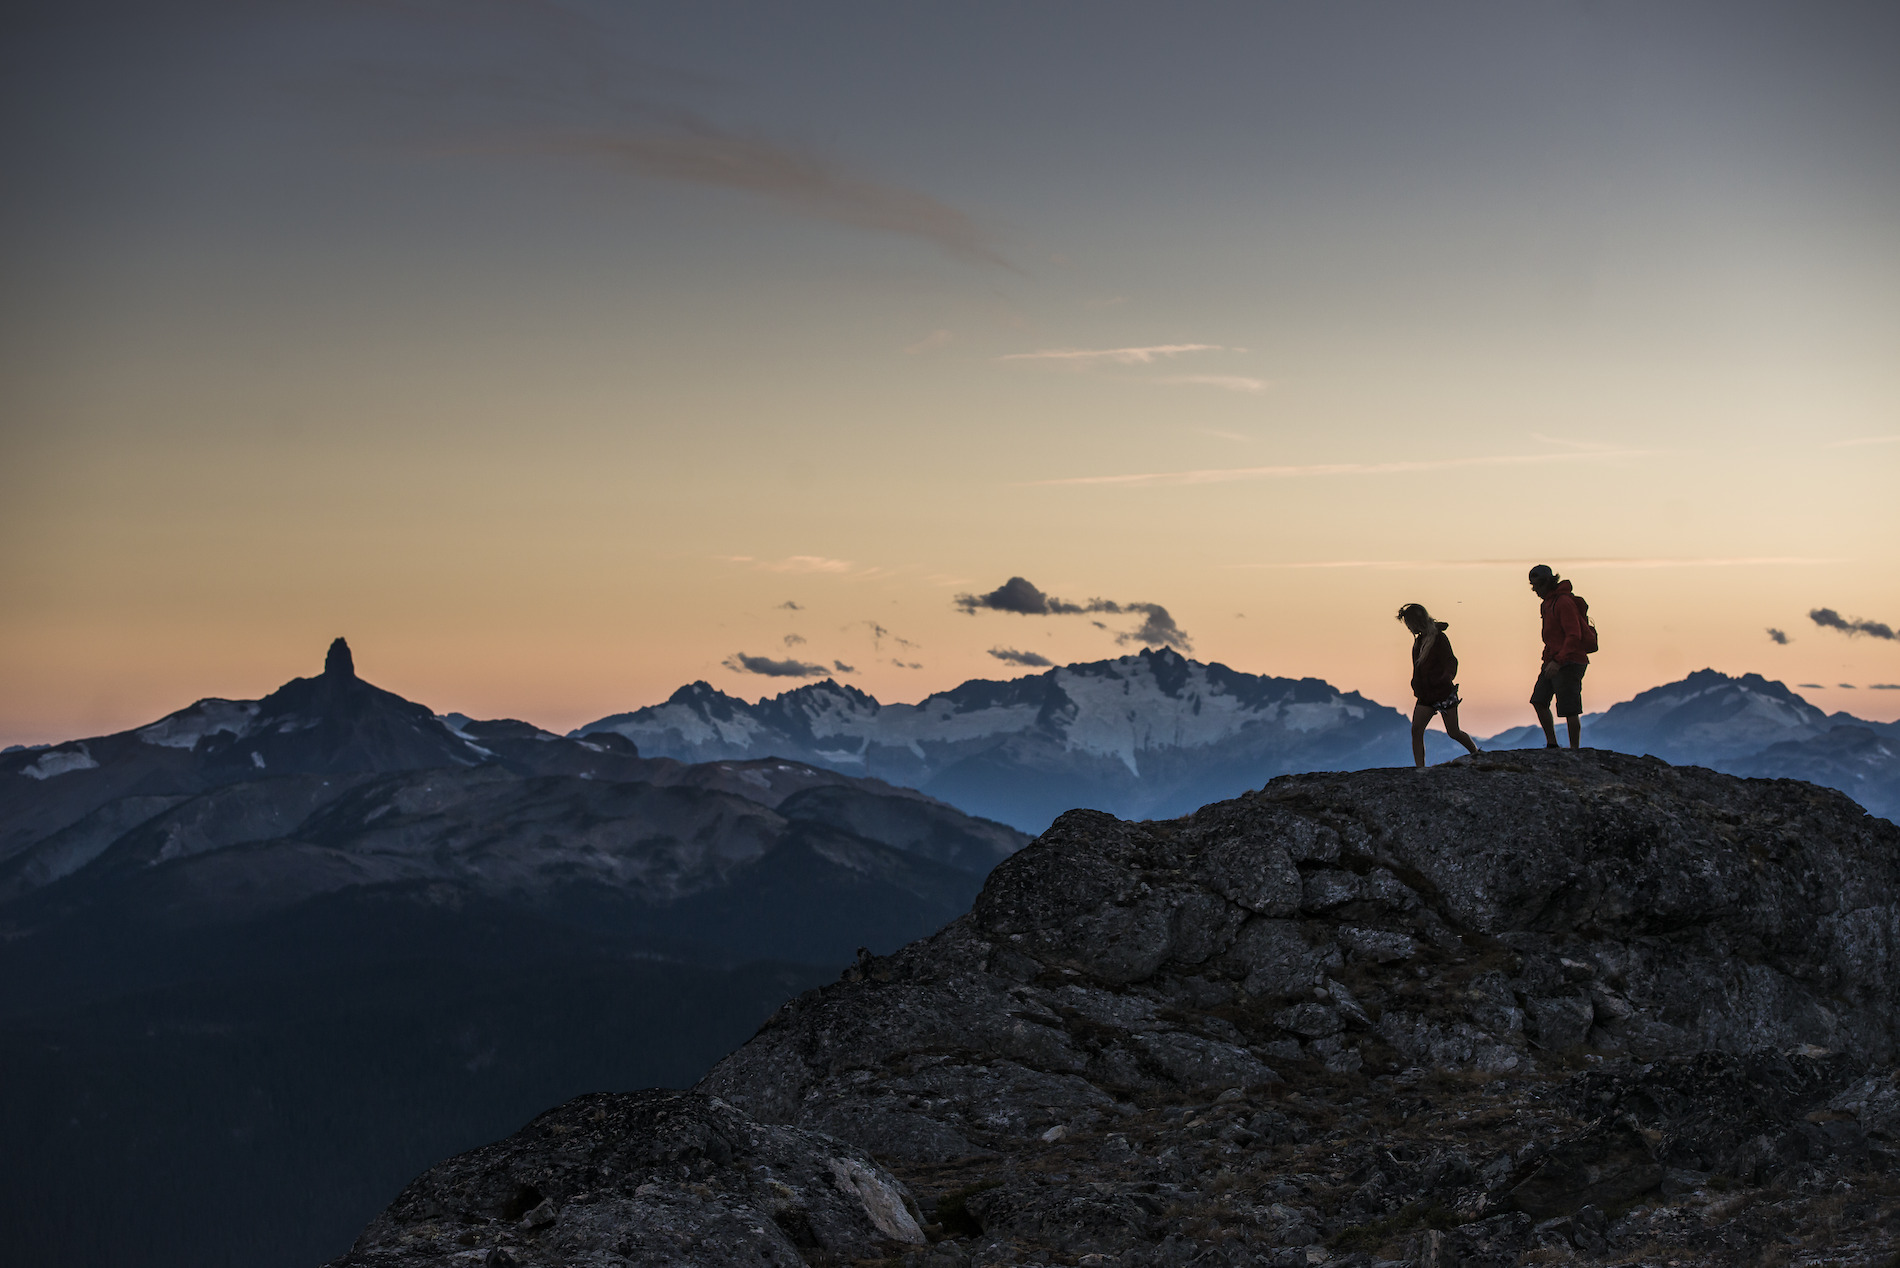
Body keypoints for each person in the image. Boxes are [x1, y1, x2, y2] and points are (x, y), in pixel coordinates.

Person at [1397, 603, 1480, 768]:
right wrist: (1416, 684)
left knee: (1453, 732)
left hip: (1443, 692)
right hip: (1426, 694)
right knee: (1416, 730)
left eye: (1409, 623)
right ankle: (1420, 767)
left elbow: (1451, 662)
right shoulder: (1419, 642)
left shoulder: (1439, 638)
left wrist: (1444, 679)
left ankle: (1476, 754)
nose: (1408, 627)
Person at [1528, 564, 1588, 748]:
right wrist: (1550, 659)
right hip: (1552, 660)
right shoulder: (1547, 604)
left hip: (1570, 661)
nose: (1535, 590)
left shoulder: (1563, 602)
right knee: (1539, 700)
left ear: (1547, 582)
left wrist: (1558, 660)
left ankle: (1574, 750)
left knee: (1569, 709)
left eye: (1537, 585)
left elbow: (1573, 635)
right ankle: (1552, 745)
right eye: (1533, 586)